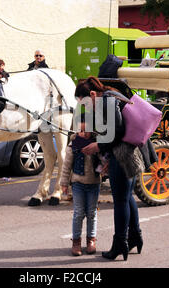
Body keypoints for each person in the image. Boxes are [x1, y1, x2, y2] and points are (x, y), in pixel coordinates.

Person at [76, 77, 143, 261]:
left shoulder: (106, 101)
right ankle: (135, 236)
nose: (85, 108)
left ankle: (120, 244)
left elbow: (117, 131)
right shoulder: (111, 96)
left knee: (120, 200)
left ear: (91, 94)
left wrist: (97, 146)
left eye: (84, 104)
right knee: (127, 197)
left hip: (123, 156)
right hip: (127, 153)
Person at [60, 117, 102, 256]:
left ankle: (91, 240)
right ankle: (76, 242)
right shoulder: (73, 145)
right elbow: (66, 166)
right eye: (80, 131)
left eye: (86, 131)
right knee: (78, 213)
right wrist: (64, 184)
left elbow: (104, 160)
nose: (83, 133)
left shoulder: (97, 144)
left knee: (92, 213)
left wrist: (103, 163)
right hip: (78, 184)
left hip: (94, 184)